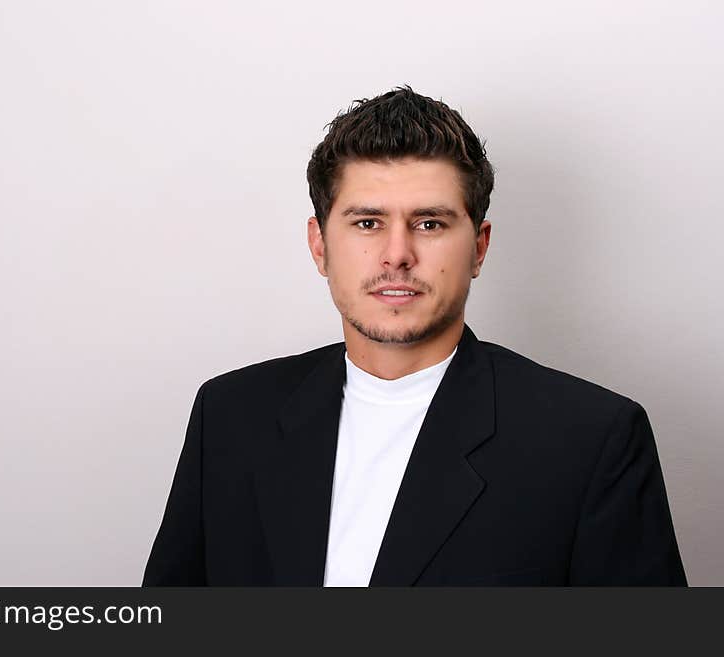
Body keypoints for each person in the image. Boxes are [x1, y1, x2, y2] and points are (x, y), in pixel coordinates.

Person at [142, 86, 686, 586]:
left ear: (478, 247)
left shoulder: (593, 439)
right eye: (367, 222)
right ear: (319, 245)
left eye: (429, 223)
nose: (397, 254)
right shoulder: (231, 415)